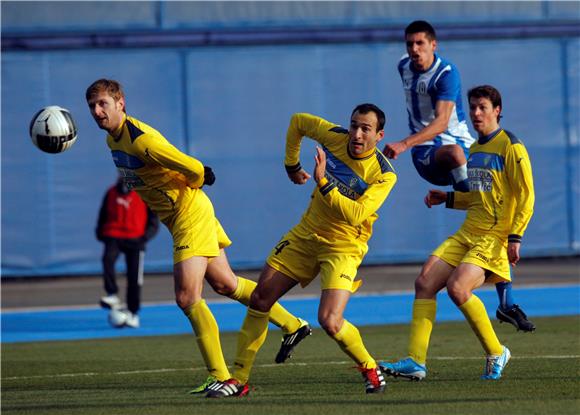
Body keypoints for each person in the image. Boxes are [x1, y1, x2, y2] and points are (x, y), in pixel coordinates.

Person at [85, 79, 312, 394]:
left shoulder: (141, 141)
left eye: (103, 104)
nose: (97, 112)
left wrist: (200, 176)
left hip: (189, 215)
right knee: (226, 284)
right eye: (92, 106)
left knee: (187, 297)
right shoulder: (113, 140)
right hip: (182, 217)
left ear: (120, 103)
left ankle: (224, 378)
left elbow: (192, 166)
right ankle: (293, 325)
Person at [206, 104, 397, 398]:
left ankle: (369, 367)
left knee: (330, 321)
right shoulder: (335, 137)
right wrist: (291, 164)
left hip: (344, 247)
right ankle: (238, 379)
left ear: (379, 135)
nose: (356, 134)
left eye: (365, 129)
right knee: (260, 297)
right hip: (306, 235)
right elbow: (298, 122)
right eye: (354, 125)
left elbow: (357, 214)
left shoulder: (384, 174)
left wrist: (322, 181)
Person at [383, 20, 534, 332]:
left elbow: (526, 195)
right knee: (439, 279)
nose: (414, 50)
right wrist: (452, 197)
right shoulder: (404, 66)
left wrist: (404, 143)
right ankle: (502, 311)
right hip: (431, 154)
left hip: (447, 151)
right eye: (409, 44)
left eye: (420, 43)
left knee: (439, 283)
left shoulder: (508, 144)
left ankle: (502, 317)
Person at [379, 85, 535, 381]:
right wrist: (446, 198)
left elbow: (527, 196)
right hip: (469, 231)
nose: (476, 113)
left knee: (458, 288)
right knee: (424, 282)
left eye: (483, 107)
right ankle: (416, 361)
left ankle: (496, 352)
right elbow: (478, 197)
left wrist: (516, 236)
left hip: (494, 236)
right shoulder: (474, 150)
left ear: (497, 111)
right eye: (473, 107)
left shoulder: (511, 147)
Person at [96, 176, 159, 328]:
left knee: (134, 278)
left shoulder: (144, 193)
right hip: (114, 236)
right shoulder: (111, 192)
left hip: (136, 239)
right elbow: (103, 215)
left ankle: (133, 312)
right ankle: (112, 294)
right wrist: (101, 233)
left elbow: (153, 220)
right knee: (107, 260)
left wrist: (144, 237)